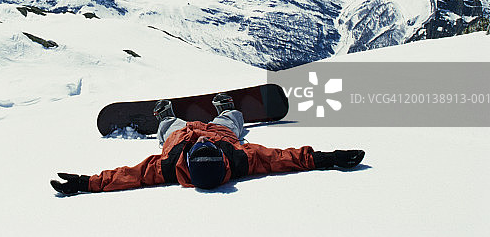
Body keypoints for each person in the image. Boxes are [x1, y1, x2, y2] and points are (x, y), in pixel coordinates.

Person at [51, 93, 364, 195]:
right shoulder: (243, 158)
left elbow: (126, 176)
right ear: (221, 159)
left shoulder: (168, 166)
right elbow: (286, 157)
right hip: (223, 133)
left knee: (169, 127)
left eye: (199, 151)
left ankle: (165, 117)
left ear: (188, 163)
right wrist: (328, 157)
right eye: (207, 150)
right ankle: (227, 109)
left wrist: (85, 183)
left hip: (177, 136)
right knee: (230, 123)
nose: (202, 144)